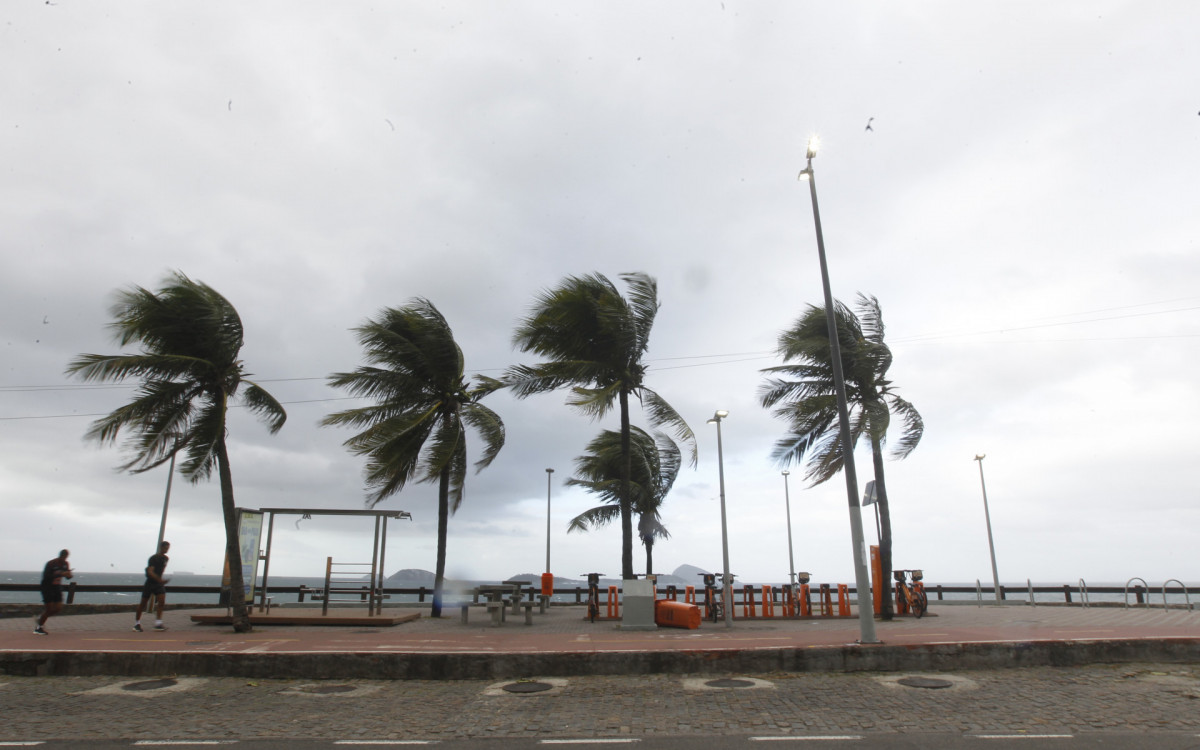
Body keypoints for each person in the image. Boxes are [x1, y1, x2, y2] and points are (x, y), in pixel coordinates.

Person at [133, 540, 170, 632]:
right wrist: (159, 579)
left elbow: (161, 570)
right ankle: (137, 624)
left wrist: (160, 580)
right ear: (161, 547)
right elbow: (150, 571)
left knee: (161, 602)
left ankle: (158, 623)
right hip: (150, 583)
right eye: (165, 548)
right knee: (143, 604)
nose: (167, 550)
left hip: (158, 584)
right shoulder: (153, 558)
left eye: (168, 548)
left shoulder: (166, 558)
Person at [35, 549, 73, 635]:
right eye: (64, 557)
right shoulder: (51, 563)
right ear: (61, 555)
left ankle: (41, 618)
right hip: (47, 587)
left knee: (58, 608)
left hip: (57, 587)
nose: (65, 559)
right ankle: (39, 627)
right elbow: (46, 576)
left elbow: (68, 577)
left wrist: (69, 575)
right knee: (49, 608)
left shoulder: (65, 564)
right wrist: (60, 574)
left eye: (66, 557)